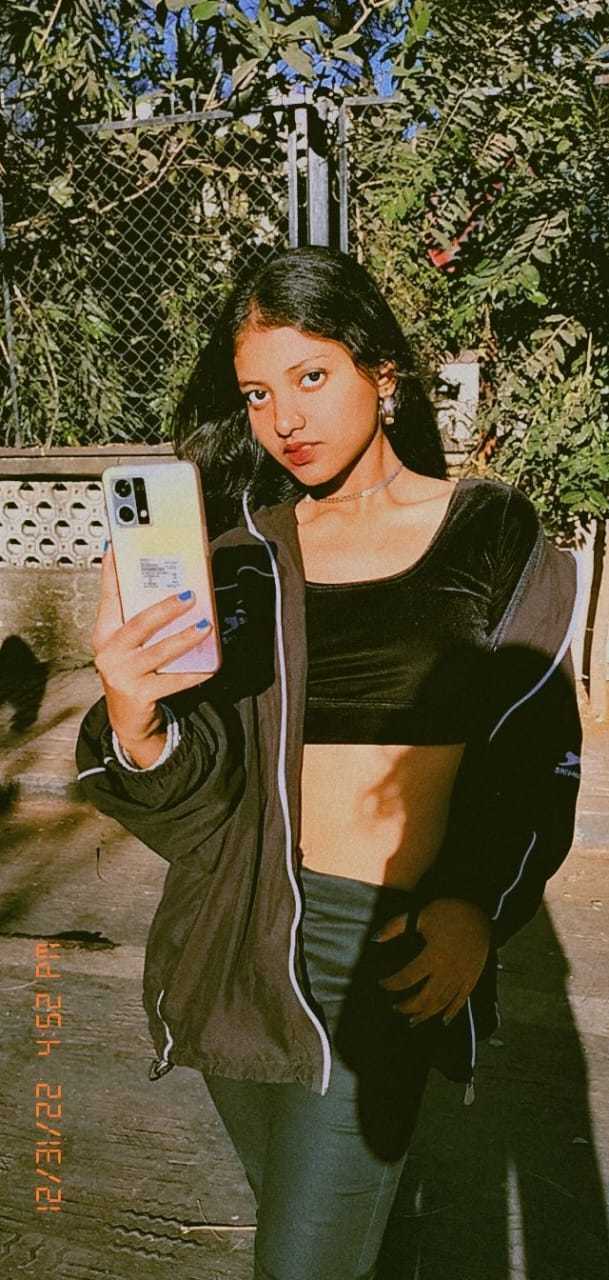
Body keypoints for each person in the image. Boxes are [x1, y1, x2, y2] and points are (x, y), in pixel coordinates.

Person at [76, 246, 583, 1280]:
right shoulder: (242, 555)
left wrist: (474, 902)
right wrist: (133, 710)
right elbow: (199, 796)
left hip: (380, 951)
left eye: (310, 376)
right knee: (355, 1248)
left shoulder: (486, 527)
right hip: (235, 934)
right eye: (258, 394)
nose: (284, 418)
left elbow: (537, 757)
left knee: (304, 1262)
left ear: (380, 370)